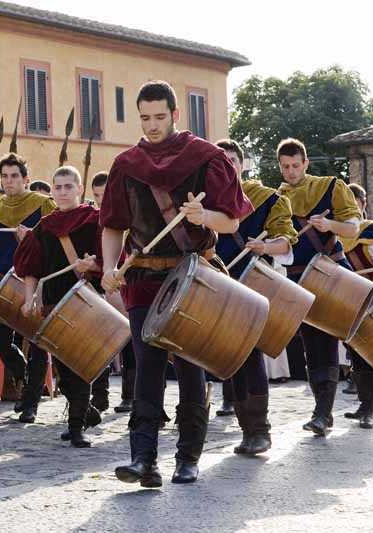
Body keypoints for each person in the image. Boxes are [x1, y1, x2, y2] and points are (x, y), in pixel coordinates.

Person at [101, 81, 252, 487]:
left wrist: (204, 217)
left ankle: (188, 457)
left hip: (193, 273)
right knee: (146, 366)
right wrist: (107, 267)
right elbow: (113, 224)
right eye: (145, 118)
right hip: (143, 277)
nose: (152, 126)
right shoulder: (126, 165)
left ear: (175, 115)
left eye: (159, 117)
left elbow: (232, 221)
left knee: (189, 365)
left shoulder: (206, 158)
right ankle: (143, 459)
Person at [214, 138, 297, 455]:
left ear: (242, 163)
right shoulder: (207, 204)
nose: (228, 165)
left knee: (249, 354)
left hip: (253, 287)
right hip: (219, 287)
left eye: (233, 159)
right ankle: (247, 431)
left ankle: (260, 430)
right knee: (231, 360)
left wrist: (265, 247)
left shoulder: (267, 199)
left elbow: (286, 241)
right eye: (221, 161)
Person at [276, 138, 361, 435]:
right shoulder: (278, 197)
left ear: (306, 163)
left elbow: (352, 227)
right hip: (298, 279)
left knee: (343, 341)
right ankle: (322, 412)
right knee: (311, 344)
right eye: (285, 167)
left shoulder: (329, 186)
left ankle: (338, 410)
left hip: (330, 274)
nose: (291, 172)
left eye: (295, 166)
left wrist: (330, 226)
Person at [14, 166, 104, 446]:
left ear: (79, 190)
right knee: (64, 368)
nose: (63, 192)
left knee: (80, 364)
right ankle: (84, 410)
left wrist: (94, 264)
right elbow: (32, 268)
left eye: (68, 187)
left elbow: (111, 261)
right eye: (58, 187)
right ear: (52, 192)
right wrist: (29, 299)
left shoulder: (95, 221)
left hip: (86, 299)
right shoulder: (44, 227)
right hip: (53, 301)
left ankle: (76, 425)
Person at [0, 153, 56, 422]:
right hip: (3, 284)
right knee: (0, 342)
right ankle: (29, 382)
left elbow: (56, 245)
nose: (9, 182)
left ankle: (30, 402)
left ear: (25, 179)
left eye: (14, 176)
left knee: (37, 343)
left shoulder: (43, 205)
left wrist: (31, 239)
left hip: (36, 282)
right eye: (5, 177)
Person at [89, 171, 135, 414]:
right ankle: (100, 395)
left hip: (129, 284)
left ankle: (130, 395)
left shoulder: (128, 214)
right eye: (96, 195)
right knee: (102, 342)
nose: (100, 201)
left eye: (104, 195)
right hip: (99, 287)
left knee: (130, 339)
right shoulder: (91, 219)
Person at [340, 182, 373, 429]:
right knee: (357, 354)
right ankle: (365, 404)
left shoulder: (372, 232)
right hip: (351, 301)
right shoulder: (337, 237)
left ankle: (369, 409)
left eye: (356, 203)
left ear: (363, 206)